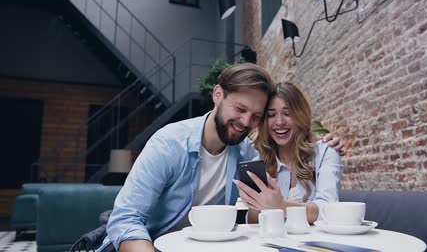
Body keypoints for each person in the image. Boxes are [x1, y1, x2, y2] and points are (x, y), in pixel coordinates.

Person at [97, 64, 342, 252]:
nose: (246, 122)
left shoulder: (246, 152)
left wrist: (324, 146)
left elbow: (262, 208)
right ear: (217, 94)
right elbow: (125, 220)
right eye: (240, 109)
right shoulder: (169, 144)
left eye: (256, 116)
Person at [235, 82, 342, 224]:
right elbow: (253, 223)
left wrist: (279, 206)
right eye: (271, 115)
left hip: (316, 243)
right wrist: (256, 203)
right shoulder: (258, 163)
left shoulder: (325, 152)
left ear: (301, 115)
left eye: (287, 113)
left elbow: (329, 210)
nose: (279, 122)